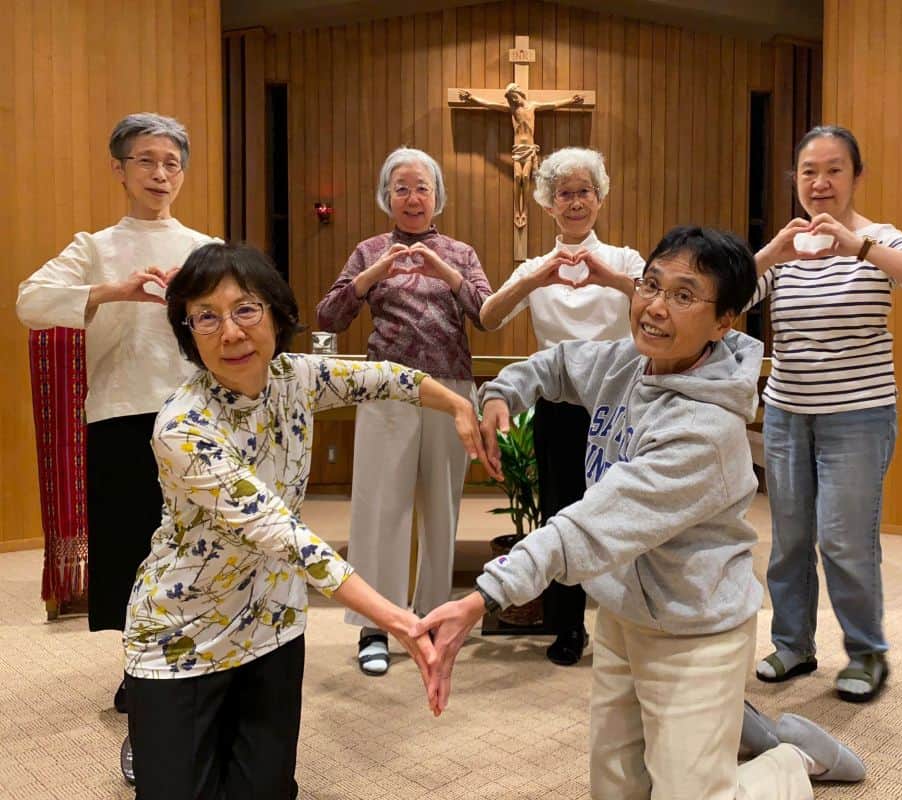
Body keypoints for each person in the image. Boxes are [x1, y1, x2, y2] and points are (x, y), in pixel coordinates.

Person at [415, 226, 865, 799]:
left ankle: (790, 762)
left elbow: (590, 525)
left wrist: (483, 597)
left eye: (683, 295)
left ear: (725, 320)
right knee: (616, 789)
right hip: (626, 612)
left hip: (694, 627)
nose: (654, 307)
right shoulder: (629, 362)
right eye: (650, 284)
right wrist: (505, 391)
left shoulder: (702, 430)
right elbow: (557, 363)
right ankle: (735, 730)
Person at [122, 242, 497, 798]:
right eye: (206, 316)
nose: (229, 333)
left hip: (273, 624)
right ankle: (149, 740)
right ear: (188, 332)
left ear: (276, 313)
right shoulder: (182, 427)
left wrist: (458, 404)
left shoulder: (295, 377)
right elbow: (285, 536)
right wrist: (398, 619)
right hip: (183, 635)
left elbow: (387, 378)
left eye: (246, 309)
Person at [16, 113, 217, 712]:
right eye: (146, 161)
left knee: (196, 547)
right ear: (120, 170)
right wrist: (114, 290)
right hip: (120, 412)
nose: (160, 174)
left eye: (172, 163)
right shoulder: (94, 247)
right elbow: (30, 301)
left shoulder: (205, 248)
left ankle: (198, 663)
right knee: (134, 549)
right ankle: (140, 668)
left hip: (195, 415)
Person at [749, 126, 902, 702]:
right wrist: (771, 252)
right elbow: (726, 297)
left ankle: (866, 653)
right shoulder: (786, 249)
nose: (820, 182)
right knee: (789, 538)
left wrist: (858, 246)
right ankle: (792, 645)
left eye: (834, 170)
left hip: (858, 418)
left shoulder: (877, 239)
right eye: (809, 171)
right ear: (796, 180)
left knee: (844, 540)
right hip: (787, 415)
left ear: (856, 177)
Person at [315, 147, 493, 676]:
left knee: (442, 506)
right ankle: (378, 626)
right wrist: (370, 276)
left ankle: (436, 618)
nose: (412, 198)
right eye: (401, 188)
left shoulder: (460, 252)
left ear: (437, 195)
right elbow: (328, 316)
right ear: (385, 196)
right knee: (380, 507)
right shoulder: (368, 248)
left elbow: (486, 315)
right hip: (386, 388)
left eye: (422, 188)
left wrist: (446, 271)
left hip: (451, 388)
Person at [478, 146, 645, 665]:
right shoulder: (534, 267)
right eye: (565, 193)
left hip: (618, 404)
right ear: (549, 203)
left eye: (585, 192)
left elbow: (658, 301)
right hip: (557, 402)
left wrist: (606, 277)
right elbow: (487, 317)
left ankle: (633, 621)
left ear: (600, 198)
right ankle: (568, 625)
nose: (576, 202)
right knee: (561, 512)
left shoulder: (624, 258)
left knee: (624, 511)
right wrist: (533, 279)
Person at [457, 84, 584, 227]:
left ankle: (525, 209)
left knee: (525, 177)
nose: (514, 100)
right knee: (518, 177)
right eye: (511, 98)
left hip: (529, 149)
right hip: (517, 149)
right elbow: (489, 104)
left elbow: (552, 105)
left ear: (519, 93)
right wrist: (472, 99)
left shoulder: (533, 106)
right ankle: (518, 210)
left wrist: (571, 101)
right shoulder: (512, 109)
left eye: (514, 96)